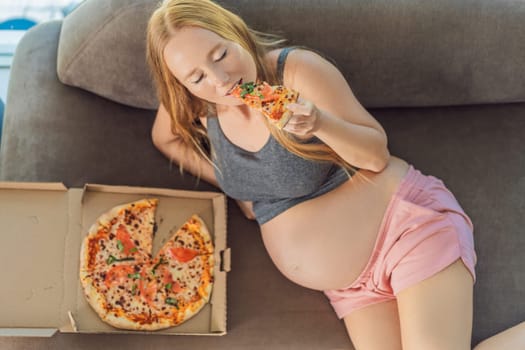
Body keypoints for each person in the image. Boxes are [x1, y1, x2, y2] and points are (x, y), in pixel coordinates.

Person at [146, 0, 525, 348]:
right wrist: (235, 185)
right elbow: (165, 139)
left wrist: (320, 123)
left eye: (221, 54)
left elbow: (376, 155)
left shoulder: (295, 71)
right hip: (353, 288)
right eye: (196, 76)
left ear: (236, 34)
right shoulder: (200, 102)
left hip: (405, 231)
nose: (219, 79)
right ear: (181, 83)